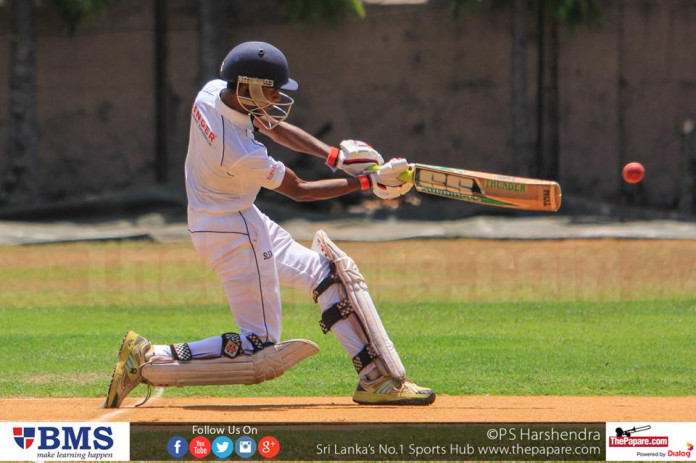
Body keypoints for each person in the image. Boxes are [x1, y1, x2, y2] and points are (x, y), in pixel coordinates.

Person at [105, 41, 435, 408]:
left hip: (228, 219)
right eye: (273, 88)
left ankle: (377, 378)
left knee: (325, 273)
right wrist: (369, 184)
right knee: (259, 349)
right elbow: (300, 190)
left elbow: (275, 127)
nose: (278, 95)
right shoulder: (239, 151)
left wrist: (337, 158)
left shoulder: (213, 93)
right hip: (233, 233)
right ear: (248, 85)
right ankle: (149, 359)